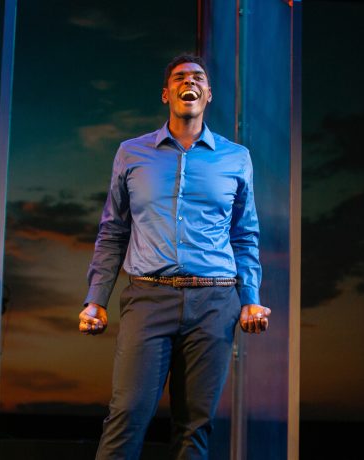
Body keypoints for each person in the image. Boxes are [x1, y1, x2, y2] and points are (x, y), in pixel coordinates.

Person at [79, 54, 270, 460]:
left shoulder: (235, 158)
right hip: (149, 297)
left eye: (198, 77)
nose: (190, 82)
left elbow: (245, 234)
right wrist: (95, 300)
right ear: (167, 93)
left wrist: (250, 297)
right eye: (180, 77)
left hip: (215, 302)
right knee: (127, 412)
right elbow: (113, 231)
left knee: (195, 425)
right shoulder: (132, 153)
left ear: (208, 94)